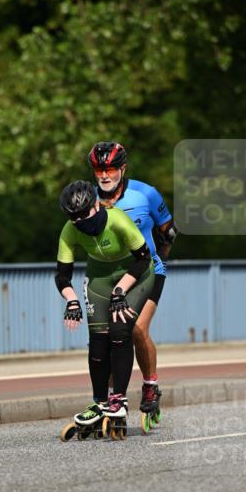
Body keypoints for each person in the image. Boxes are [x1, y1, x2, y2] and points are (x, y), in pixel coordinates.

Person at [55, 179, 155, 435]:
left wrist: (121, 291)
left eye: (84, 215)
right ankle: (100, 401)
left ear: (96, 204)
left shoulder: (117, 219)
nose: (81, 222)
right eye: (75, 218)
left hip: (136, 274)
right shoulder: (70, 229)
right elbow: (62, 276)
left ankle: (118, 399)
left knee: (120, 330)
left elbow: (143, 259)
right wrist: (72, 301)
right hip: (99, 278)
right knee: (98, 340)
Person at [88, 141, 177, 419]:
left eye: (111, 168)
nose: (104, 175)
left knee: (137, 329)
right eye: (99, 169)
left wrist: (159, 258)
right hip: (112, 277)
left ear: (122, 168)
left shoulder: (145, 193)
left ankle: (150, 386)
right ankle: (112, 400)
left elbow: (169, 231)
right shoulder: (88, 197)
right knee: (111, 336)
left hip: (148, 271)